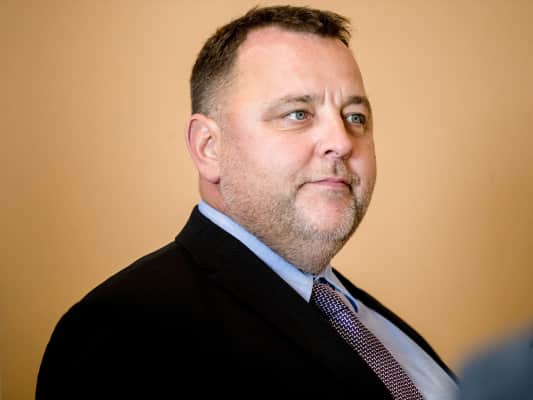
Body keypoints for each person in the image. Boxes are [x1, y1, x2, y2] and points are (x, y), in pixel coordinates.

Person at [36, 5, 458, 399]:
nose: (342, 142)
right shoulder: (126, 331)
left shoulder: (362, 318)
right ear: (209, 147)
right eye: (298, 113)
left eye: (355, 117)